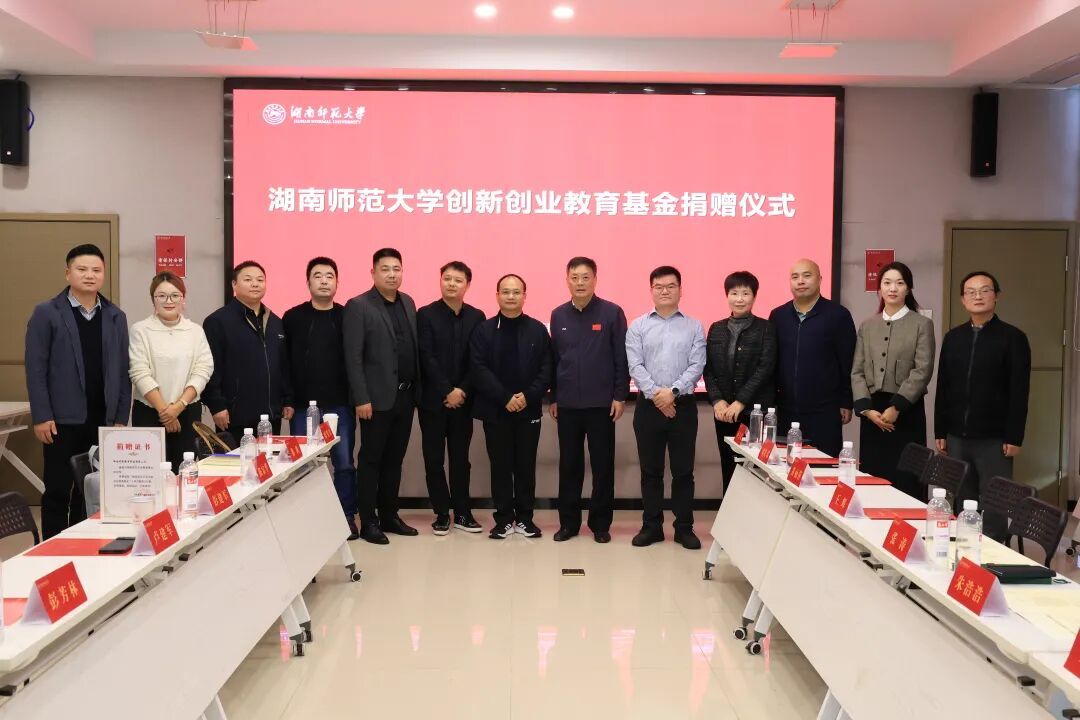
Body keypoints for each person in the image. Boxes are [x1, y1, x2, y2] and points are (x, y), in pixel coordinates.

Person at [25, 244, 131, 538]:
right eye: (82, 269)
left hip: (103, 419)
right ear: (67, 273)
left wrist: (120, 418)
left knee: (91, 490)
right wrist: (41, 415)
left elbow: (123, 370)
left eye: (96, 270)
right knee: (58, 489)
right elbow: (36, 368)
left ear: (104, 274)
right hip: (61, 420)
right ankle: (53, 549)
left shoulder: (115, 315)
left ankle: (83, 544)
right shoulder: (47, 312)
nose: (89, 275)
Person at [935, 270, 1030, 537]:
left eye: (985, 290)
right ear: (963, 299)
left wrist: (1014, 435)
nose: (978, 296)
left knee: (995, 502)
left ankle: (994, 552)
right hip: (957, 435)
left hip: (994, 438)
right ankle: (965, 548)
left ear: (996, 296)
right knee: (962, 499)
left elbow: (1019, 391)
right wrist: (940, 430)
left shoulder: (1013, 338)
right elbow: (943, 386)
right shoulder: (953, 338)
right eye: (971, 292)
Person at [344, 248, 421, 545]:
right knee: (371, 460)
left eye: (396, 269)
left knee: (394, 460)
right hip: (374, 401)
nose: (392, 274)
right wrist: (361, 398)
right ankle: (369, 521)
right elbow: (353, 357)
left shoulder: (408, 302)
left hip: (405, 396)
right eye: (385, 269)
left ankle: (390, 515)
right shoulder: (359, 306)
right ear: (373, 272)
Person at [549, 257, 629, 544]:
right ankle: (568, 524)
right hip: (568, 404)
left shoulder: (611, 312)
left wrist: (620, 395)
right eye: (575, 277)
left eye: (585, 277)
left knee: (602, 466)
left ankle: (600, 524)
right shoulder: (558, 315)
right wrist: (554, 397)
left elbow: (621, 357)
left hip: (601, 405)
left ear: (595, 279)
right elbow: (554, 359)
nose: (580, 283)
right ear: (567, 280)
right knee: (569, 465)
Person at [626, 266, 706, 549]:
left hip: (683, 407)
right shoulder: (638, 326)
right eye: (658, 286)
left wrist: (671, 393)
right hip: (648, 407)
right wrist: (657, 396)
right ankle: (652, 527)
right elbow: (635, 365)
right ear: (651, 290)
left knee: (683, 472)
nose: (664, 291)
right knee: (651, 472)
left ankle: (684, 528)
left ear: (680, 290)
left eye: (670, 286)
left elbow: (697, 365)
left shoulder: (694, 326)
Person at [470, 274, 552, 540]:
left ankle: (525, 519)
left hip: (529, 411)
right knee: (500, 467)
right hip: (496, 411)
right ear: (497, 295)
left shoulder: (537, 329)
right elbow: (478, 368)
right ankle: (504, 519)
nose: (511, 296)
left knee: (526, 467)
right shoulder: (483, 330)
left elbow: (547, 368)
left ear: (524, 296)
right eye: (505, 291)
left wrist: (527, 396)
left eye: (516, 292)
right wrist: (505, 397)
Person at [282, 257, 359, 540]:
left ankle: (346, 516)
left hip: (340, 405)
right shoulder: (293, 317)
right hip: (304, 406)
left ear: (337, 282)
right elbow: (284, 363)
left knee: (344, 463)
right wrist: (288, 399)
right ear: (308, 282)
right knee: (304, 465)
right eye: (318, 275)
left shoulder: (347, 316)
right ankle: (307, 517)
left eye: (329, 276)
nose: (324, 281)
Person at [851, 262, 936, 499]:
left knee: (907, 479)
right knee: (874, 479)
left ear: (908, 288)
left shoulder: (922, 324)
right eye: (887, 283)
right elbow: (857, 371)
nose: (893, 288)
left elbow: (923, 370)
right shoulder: (867, 326)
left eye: (899, 283)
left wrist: (897, 407)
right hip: (872, 412)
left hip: (906, 411)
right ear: (879, 288)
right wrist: (866, 410)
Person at [417, 261, 485, 535]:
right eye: (447, 278)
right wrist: (447, 390)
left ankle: (463, 512)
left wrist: (462, 391)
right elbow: (426, 357)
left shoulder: (477, 317)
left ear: (467, 285)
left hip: (463, 403)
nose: (452, 284)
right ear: (440, 281)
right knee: (433, 459)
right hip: (433, 402)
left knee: (460, 460)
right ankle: (442, 513)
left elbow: (477, 360)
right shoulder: (425, 314)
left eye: (458, 280)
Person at [769, 259, 856, 458]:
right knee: (786, 467)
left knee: (824, 467)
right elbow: (772, 362)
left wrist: (846, 401)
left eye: (807, 275)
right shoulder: (778, 316)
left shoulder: (838, 315)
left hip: (825, 410)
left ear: (819, 279)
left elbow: (848, 361)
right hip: (786, 410)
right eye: (795, 277)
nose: (800, 281)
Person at [128, 272, 214, 470]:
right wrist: (165, 412)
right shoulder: (140, 330)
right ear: (153, 299)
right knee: (149, 474)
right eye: (162, 296)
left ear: (183, 299)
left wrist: (179, 406)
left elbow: (203, 369)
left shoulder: (195, 331)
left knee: (185, 472)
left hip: (187, 411)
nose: (169, 301)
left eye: (175, 295)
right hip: (149, 412)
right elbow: (139, 372)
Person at [703, 271, 776, 493]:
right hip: (724, 412)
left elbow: (765, 368)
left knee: (755, 469)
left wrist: (740, 402)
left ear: (754, 296)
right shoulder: (716, 328)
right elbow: (708, 368)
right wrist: (717, 400)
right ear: (727, 296)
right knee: (729, 465)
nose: (740, 299)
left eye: (746, 293)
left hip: (754, 413)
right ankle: (730, 513)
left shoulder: (766, 328)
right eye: (734, 293)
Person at [203, 261, 293, 439]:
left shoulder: (275, 322)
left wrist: (288, 399)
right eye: (248, 279)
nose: (255, 284)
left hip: (270, 417)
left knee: (269, 458)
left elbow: (283, 365)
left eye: (260, 280)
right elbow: (210, 367)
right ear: (234, 284)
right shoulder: (218, 321)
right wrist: (216, 405)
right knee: (235, 458)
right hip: (233, 416)